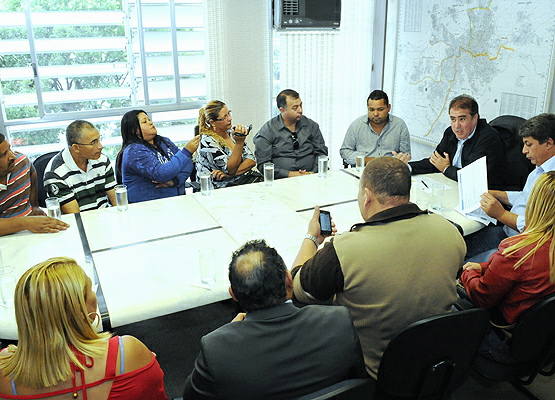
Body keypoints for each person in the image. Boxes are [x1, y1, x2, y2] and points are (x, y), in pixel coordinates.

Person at [291, 157, 466, 379]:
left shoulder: (346, 249)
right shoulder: (450, 231)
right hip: (436, 363)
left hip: (375, 372)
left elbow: (298, 288)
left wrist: (312, 238)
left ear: (366, 196)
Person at [183, 239, 367, 400]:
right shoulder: (338, 321)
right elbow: (357, 381)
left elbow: (190, 397)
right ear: (289, 280)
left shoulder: (216, 349)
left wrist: (227, 336)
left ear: (233, 295)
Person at [0, 257, 167, 399]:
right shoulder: (127, 354)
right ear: (80, 311)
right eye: (89, 290)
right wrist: (143, 363)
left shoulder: (5, 371)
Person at [461, 171, 555, 326]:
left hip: (505, 321)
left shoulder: (516, 250)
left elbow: (482, 298)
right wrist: (483, 267)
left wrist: (468, 272)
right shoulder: (539, 245)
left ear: (535, 204)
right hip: (540, 325)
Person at [465, 113, 555, 259]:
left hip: (524, 246)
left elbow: (540, 228)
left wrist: (501, 214)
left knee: (464, 264)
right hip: (508, 232)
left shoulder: (551, 180)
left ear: (549, 143)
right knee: (457, 246)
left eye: (529, 144)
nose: (524, 151)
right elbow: (525, 196)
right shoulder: (539, 168)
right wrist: (497, 194)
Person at [396, 94, 506, 189]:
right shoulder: (451, 133)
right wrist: (406, 167)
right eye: (453, 119)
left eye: (462, 119)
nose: (456, 126)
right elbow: (435, 162)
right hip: (452, 186)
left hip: (486, 195)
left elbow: (471, 177)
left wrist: (446, 168)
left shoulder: (488, 138)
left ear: (475, 118)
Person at [119, 110, 200, 203]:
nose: (150, 122)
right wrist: (187, 151)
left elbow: (187, 164)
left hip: (176, 202)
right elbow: (161, 173)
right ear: (135, 130)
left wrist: (175, 181)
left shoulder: (164, 141)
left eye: (149, 119)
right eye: (145, 121)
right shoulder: (134, 151)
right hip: (148, 207)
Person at [0, 134, 68, 235]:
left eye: (10, 149)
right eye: (3, 154)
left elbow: (32, 173)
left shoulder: (21, 162)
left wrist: (34, 205)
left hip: (33, 226)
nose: (12, 156)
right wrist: (27, 223)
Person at [44, 120, 117, 213]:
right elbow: (75, 216)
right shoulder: (55, 174)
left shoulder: (102, 160)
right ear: (76, 148)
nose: (100, 146)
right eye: (93, 142)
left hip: (106, 217)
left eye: (99, 139)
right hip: (79, 223)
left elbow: (116, 201)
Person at [254, 89, 328, 179]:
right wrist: (290, 174)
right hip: (281, 181)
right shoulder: (268, 131)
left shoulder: (311, 126)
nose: (300, 110)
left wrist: (312, 173)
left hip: (312, 178)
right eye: (295, 108)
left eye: (301, 105)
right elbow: (264, 164)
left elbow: (321, 154)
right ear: (282, 110)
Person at [196, 101, 262, 188]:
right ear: (212, 122)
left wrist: (229, 175)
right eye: (224, 117)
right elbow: (230, 169)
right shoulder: (207, 142)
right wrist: (239, 142)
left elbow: (251, 161)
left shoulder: (231, 133)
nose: (230, 119)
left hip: (239, 182)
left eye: (229, 114)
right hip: (218, 188)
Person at [340, 90, 411, 166]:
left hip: (390, 169)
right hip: (364, 169)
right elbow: (344, 151)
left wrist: (390, 161)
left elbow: (406, 154)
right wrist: (365, 159)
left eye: (380, 109)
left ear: (389, 108)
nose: (375, 114)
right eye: (371, 110)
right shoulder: (357, 125)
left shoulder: (399, 125)